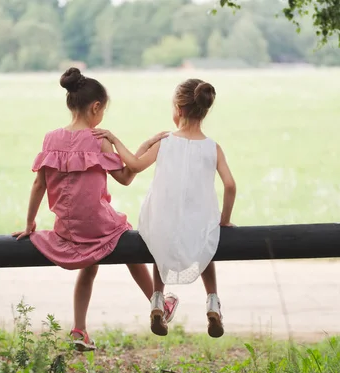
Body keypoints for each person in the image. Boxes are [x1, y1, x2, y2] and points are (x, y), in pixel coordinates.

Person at [13, 68, 179, 351]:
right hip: (97, 226)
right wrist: (146, 148)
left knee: (89, 268)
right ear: (96, 107)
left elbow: (38, 185)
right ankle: (158, 303)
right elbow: (126, 177)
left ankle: (78, 330)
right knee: (128, 241)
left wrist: (30, 224)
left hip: (67, 228)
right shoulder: (99, 138)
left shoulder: (50, 138)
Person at [93, 78, 236, 338]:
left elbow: (134, 166)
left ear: (178, 110)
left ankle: (157, 300)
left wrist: (114, 139)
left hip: (160, 219)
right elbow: (230, 186)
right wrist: (224, 220)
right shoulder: (213, 148)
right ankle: (213, 302)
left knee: (159, 244)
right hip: (199, 221)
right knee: (206, 242)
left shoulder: (165, 142)